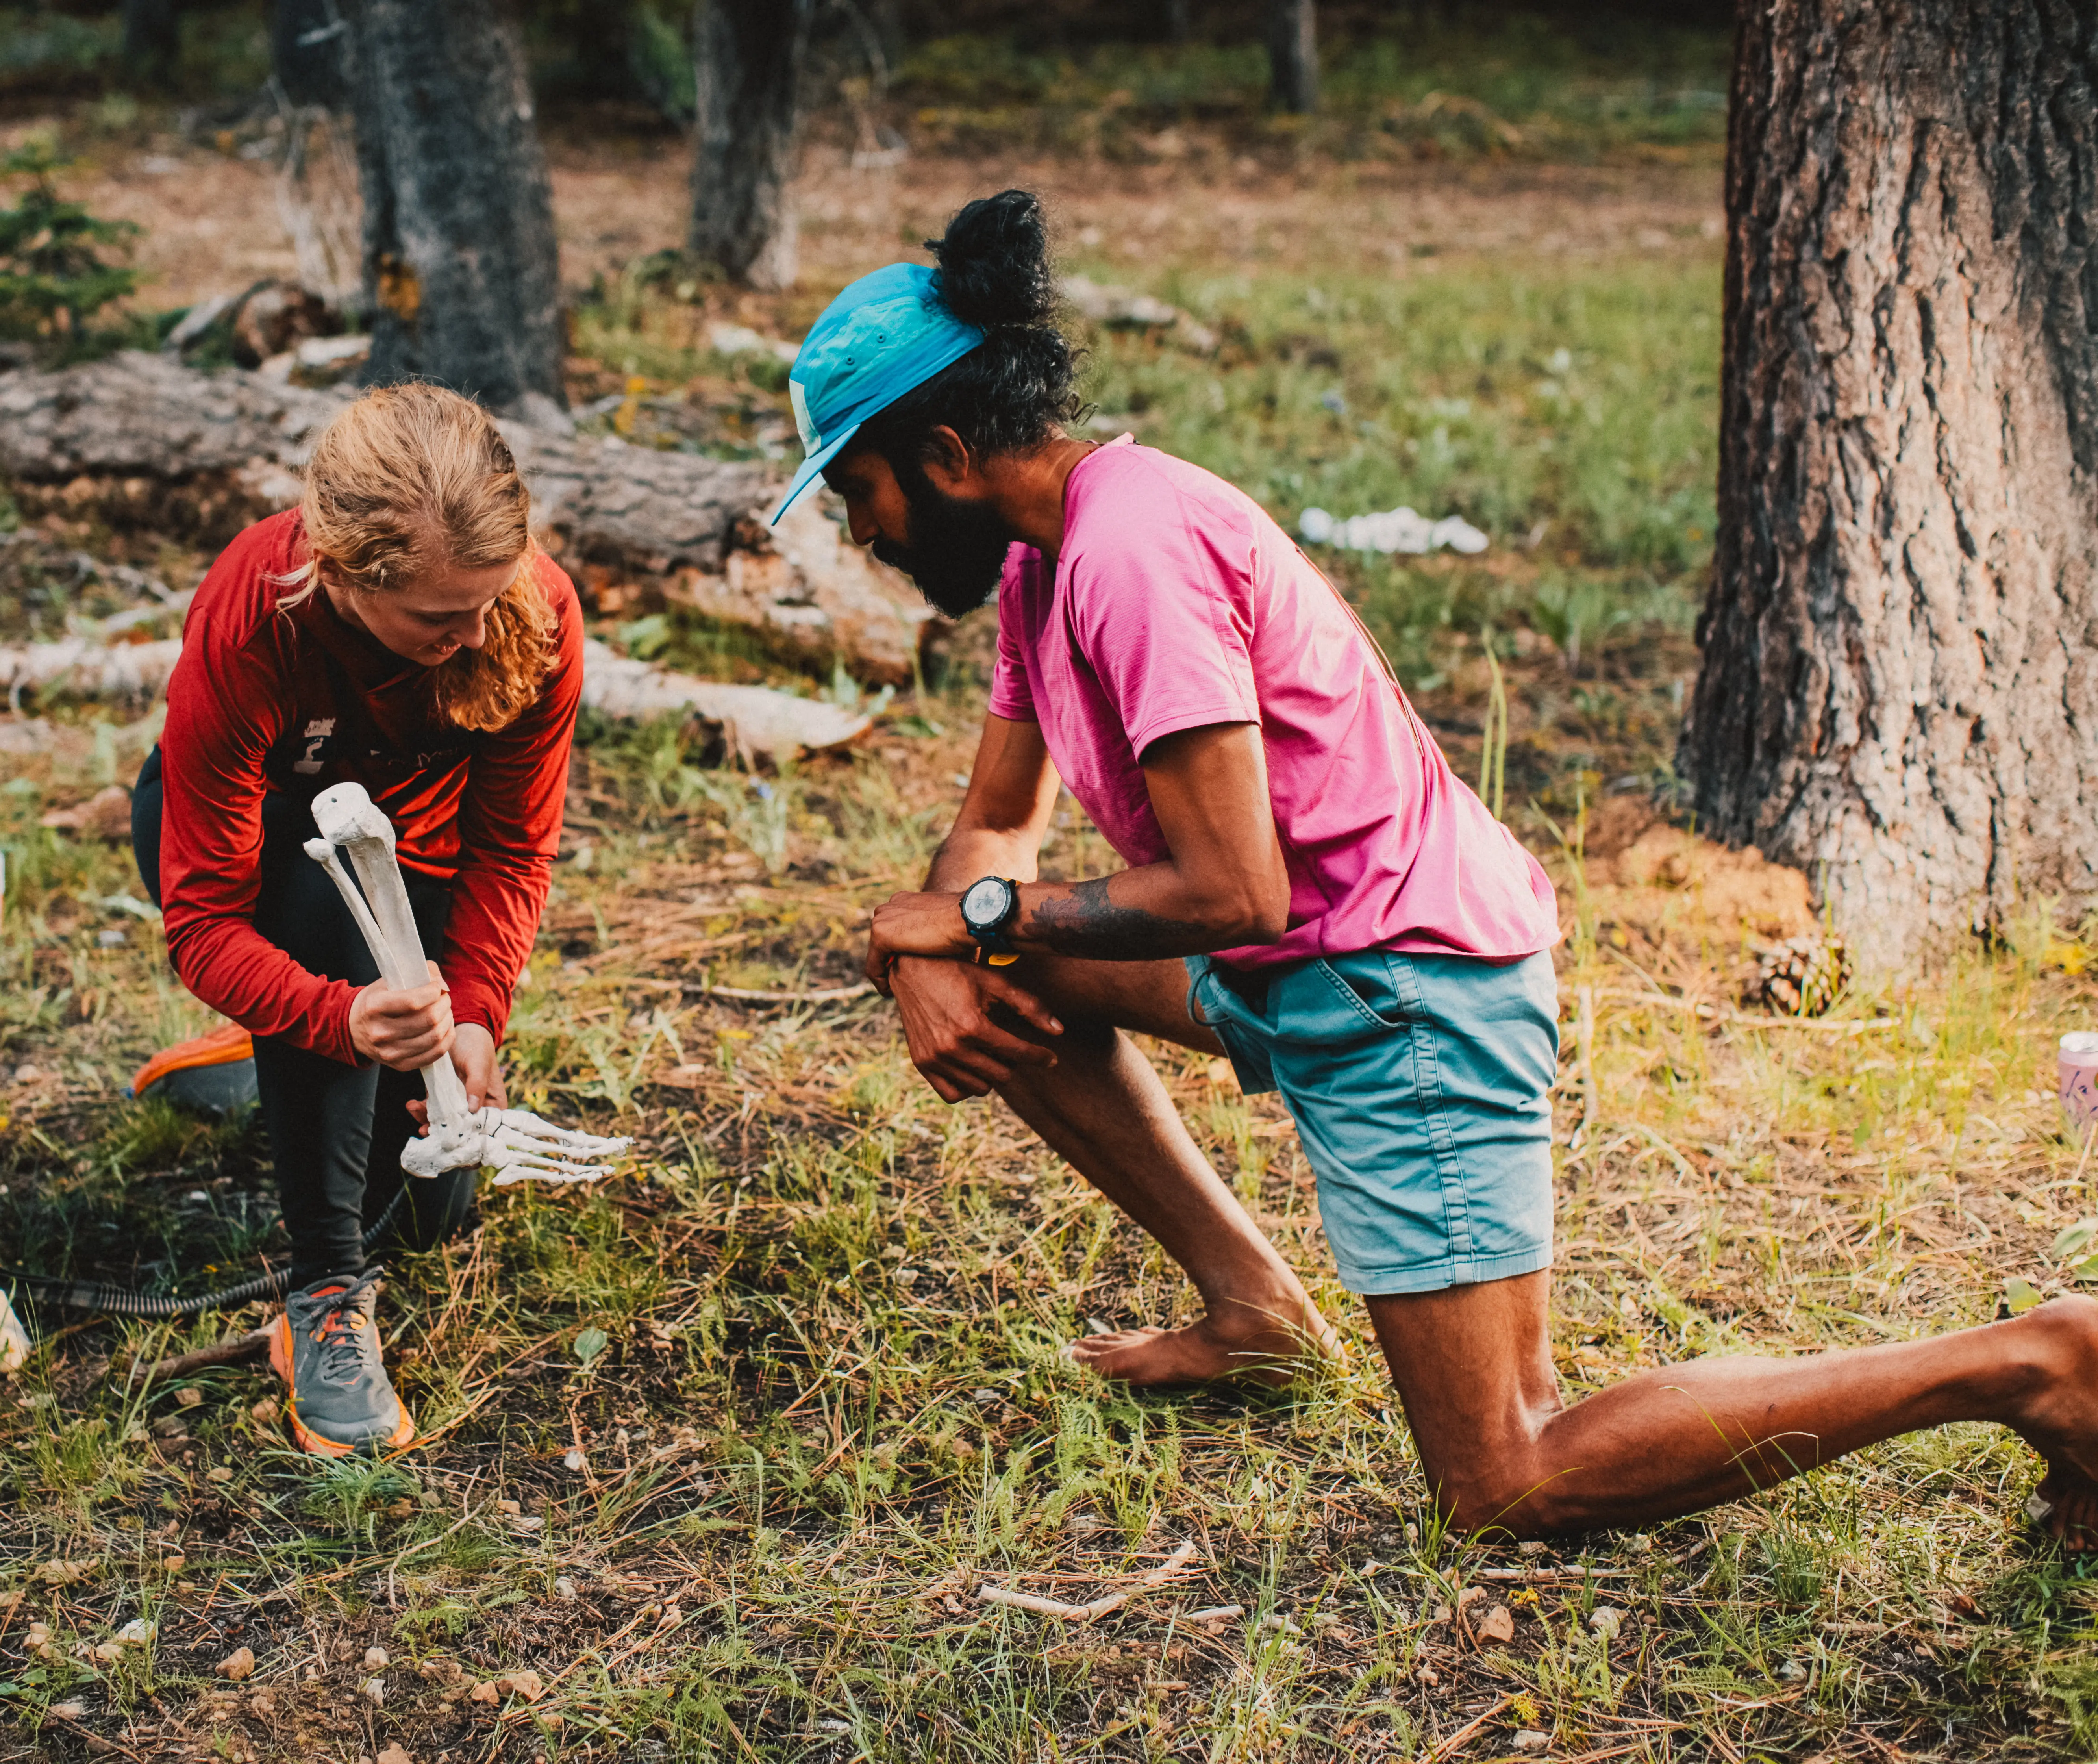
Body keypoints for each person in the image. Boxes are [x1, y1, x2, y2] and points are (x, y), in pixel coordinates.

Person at [783, 189, 2098, 1544]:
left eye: (855, 491)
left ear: (942, 451)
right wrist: (940, 947)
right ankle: (1256, 1313)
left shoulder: (1134, 554)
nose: (861, 532)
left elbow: (1237, 888)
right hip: (1292, 969)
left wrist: (963, 921)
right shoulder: (1041, 568)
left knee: (1506, 1477)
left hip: (1402, 986)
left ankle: (2033, 1363)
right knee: (1012, 952)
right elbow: (996, 824)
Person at [132, 383, 583, 1457]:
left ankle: (267, 1060)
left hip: (418, 865)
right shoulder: (255, 619)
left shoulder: (534, 614)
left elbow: (513, 848)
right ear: (339, 572)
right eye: (439, 618)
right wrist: (336, 1019)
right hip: (273, 866)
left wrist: (474, 1014)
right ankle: (324, 1289)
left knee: (436, 1215)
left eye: (490, 596)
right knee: (314, 910)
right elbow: (203, 920)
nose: (473, 633)